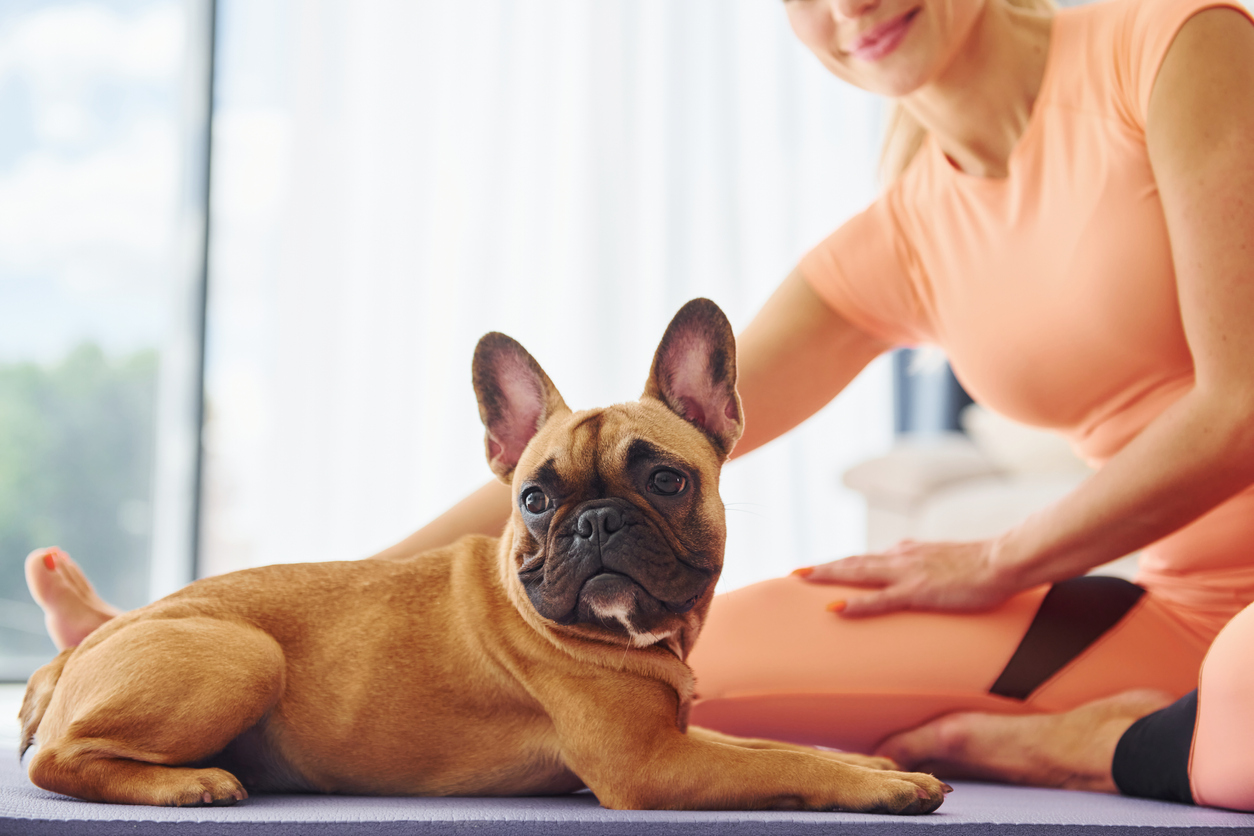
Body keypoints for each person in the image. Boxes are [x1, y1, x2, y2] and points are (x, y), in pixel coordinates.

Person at [25, 0, 1254, 812]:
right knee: (621, 695)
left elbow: (1242, 404)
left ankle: (1076, 739)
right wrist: (240, 612)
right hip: (1144, 604)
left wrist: (993, 558)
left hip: (1204, 590)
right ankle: (1113, 725)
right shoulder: (902, 229)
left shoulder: (1174, 45)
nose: (852, 4)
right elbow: (573, 471)